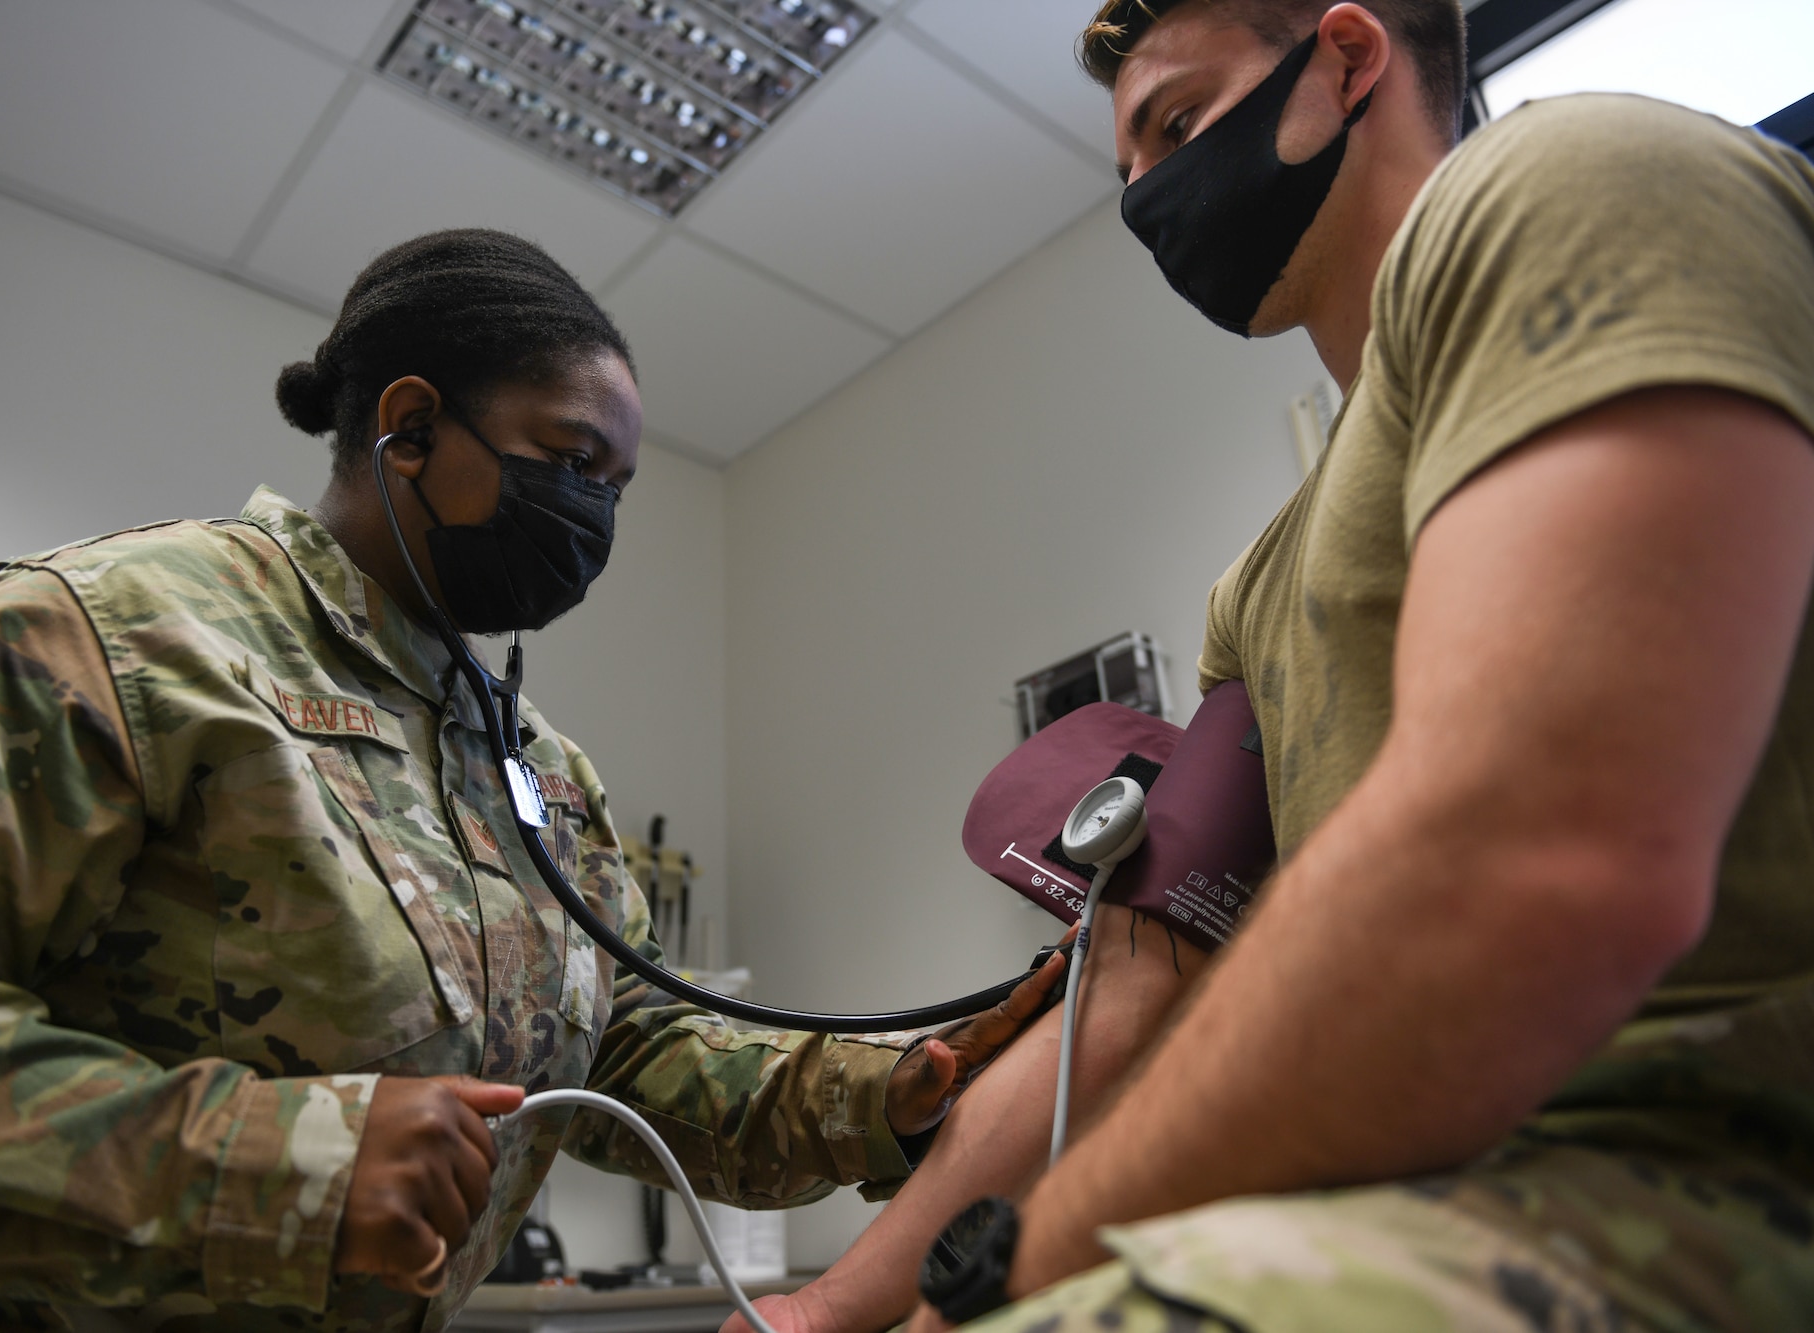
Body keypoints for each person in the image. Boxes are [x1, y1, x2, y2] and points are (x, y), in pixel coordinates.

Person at [729, 2, 1814, 1331]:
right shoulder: (1255, 587)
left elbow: (1544, 857)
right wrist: (831, 1309)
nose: (1148, 198)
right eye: (1125, 169)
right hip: (1409, 1197)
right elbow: (1140, 989)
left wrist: (1022, 1262)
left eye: (1177, 128)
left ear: (1346, 59)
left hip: (1697, 1165)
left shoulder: (1573, 183)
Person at [0, 229, 1064, 1332]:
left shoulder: (538, 769)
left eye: (614, 489)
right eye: (570, 461)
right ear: (408, 426)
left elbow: (628, 1055)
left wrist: (891, 1088)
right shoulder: (122, 638)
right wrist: (285, 1166)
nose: (593, 518)